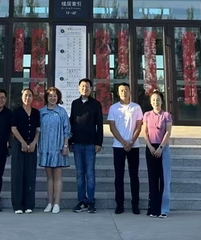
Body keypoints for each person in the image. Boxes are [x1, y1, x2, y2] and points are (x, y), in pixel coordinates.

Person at [107, 83, 143, 215]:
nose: (124, 92)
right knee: (119, 176)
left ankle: (135, 204)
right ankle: (120, 204)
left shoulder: (136, 107)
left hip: (134, 145)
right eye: (121, 90)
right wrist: (123, 142)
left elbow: (139, 126)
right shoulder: (113, 108)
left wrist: (131, 141)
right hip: (118, 146)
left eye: (126, 90)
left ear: (130, 91)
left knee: (134, 176)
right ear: (118, 92)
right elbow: (112, 127)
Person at [69, 78, 103, 213]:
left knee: (90, 174)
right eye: (82, 86)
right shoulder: (75, 103)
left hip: (90, 144)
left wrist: (99, 143)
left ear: (91, 89)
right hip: (77, 143)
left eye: (87, 86)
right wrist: (70, 141)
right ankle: (82, 200)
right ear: (79, 88)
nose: (85, 88)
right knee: (79, 173)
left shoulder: (96, 104)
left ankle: (91, 201)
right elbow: (72, 122)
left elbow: (99, 125)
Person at [38, 87, 71, 214]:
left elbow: (67, 130)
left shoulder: (62, 112)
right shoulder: (41, 112)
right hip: (46, 147)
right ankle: (49, 202)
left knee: (57, 176)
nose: (53, 98)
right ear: (46, 97)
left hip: (58, 147)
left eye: (55, 96)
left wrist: (65, 146)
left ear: (58, 98)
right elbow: (38, 130)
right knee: (49, 177)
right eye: (50, 96)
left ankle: (57, 203)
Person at [143, 91, 173, 218]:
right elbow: (144, 132)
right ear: (151, 102)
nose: (156, 102)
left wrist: (161, 147)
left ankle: (163, 210)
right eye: (154, 100)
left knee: (164, 179)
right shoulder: (147, 115)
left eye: (158, 99)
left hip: (163, 148)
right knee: (153, 179)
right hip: (150, 148)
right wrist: (150, 147)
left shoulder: (166, 115)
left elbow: (168, 132)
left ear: (162, 101)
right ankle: (153, 209)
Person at [10, 89, 41, 214]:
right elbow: (13, 128)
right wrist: (23, 142)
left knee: (30, 174)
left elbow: (38, 130)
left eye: (30, 95)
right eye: (25, 95)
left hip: (32, 145)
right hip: (19, 145)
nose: (27, 98)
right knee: (18, 174)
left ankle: (29, 204)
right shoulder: (16, 111)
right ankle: (18, 205)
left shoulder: (36, 112)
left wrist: (34, 142)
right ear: (22, 97)